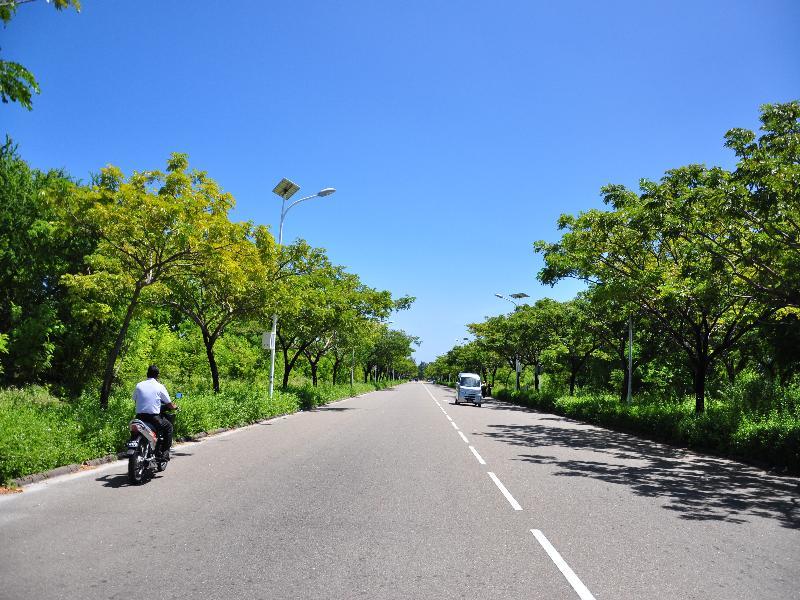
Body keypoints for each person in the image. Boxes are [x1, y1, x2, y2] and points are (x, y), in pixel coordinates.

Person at [133, 365, 177, 460]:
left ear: (147, 374)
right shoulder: (159, 386)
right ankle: (165, 452)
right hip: (153, 418)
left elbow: (135, 400)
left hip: (139, 417)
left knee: (134, 430)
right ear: (157, 375)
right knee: (168, 427)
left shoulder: (139, 385)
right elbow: (169, 404)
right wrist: (174, 407)